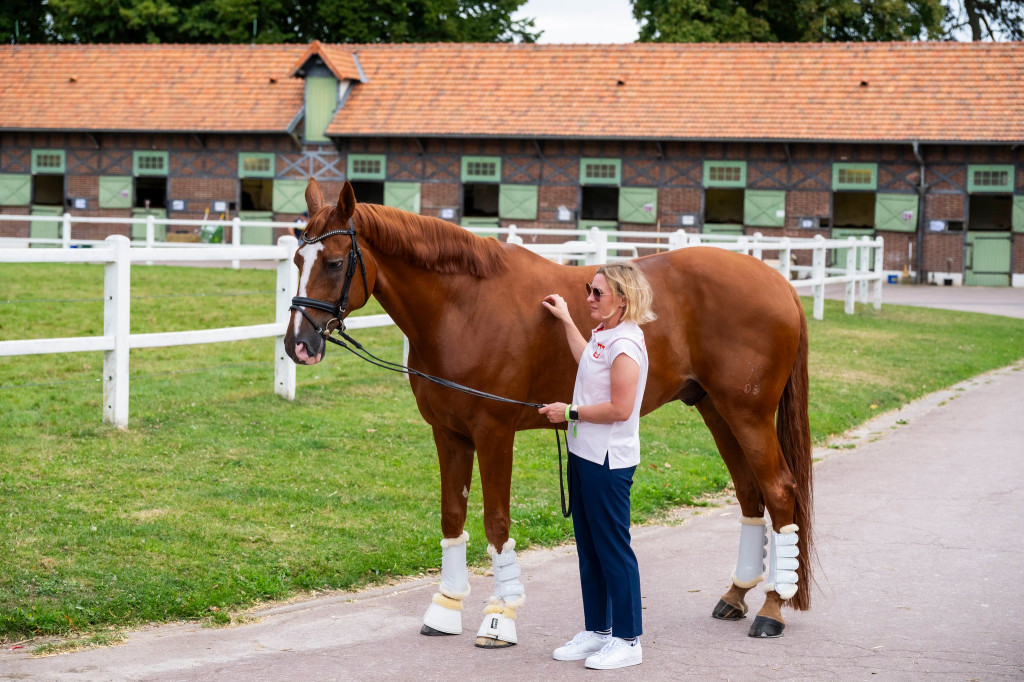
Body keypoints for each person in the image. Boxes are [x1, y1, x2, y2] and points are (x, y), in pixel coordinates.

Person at [539, 261, 656, 670]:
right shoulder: (603, 335)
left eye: (597, 294)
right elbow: (587, 359)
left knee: (612, 550)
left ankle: (628, 640)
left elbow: (621, 409)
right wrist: (568, 320)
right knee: (589, 549)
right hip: (583, 454)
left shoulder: (627, 344)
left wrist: (569, 412)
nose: (589, 298)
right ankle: (598, 631)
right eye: (590, 289)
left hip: (608, 462)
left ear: (622, 301)